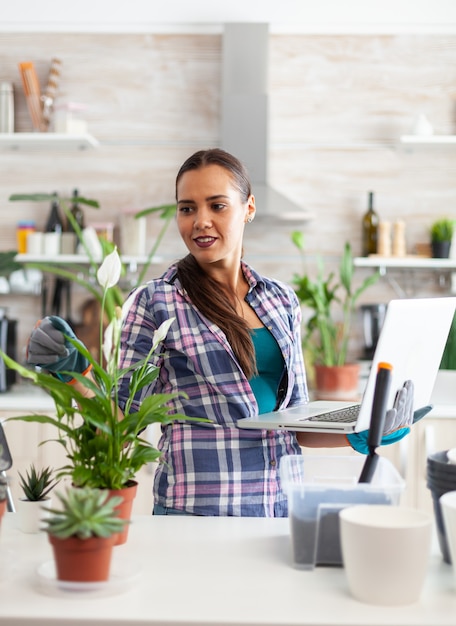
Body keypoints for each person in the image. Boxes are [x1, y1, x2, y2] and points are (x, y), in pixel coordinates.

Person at [26, 148, 428, 517]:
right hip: (197, 514)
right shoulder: (156, 303)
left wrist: (364, 431)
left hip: (279, 506)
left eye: (217, 205)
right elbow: (119, 422)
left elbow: (296, 423)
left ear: (248, 208)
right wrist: (73, 375)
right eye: (187, 208)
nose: (200, 221)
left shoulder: (280, 301)